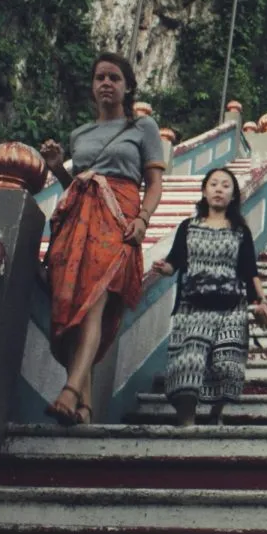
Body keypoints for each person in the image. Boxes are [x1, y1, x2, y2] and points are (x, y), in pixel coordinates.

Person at [39, 54, 165, 425]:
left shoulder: (143, 127)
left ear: (128, 87)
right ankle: (85, 407)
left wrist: (143, 219)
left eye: (114, 77)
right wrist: (58, 167)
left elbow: (155, 183)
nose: (106, 83)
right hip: (77, 223)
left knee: (94, 302)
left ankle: (71, 389)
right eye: (99, 78)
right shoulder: (80, 134)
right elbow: (74, 187)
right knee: (73, 306)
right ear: (93, 87)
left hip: (118, 218)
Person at [152, 167, 267, 426]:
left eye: (226, 186)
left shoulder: (240, 230)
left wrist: (260, 301)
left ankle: (217, 412)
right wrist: (165, 269)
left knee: (226, 365)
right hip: (193, 307)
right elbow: (176, 261)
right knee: (189, 362)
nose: (219, 189)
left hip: (231, 307)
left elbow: (249, 270)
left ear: (233, 196)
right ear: (204, 192)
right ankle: (187, 422)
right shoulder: (188, 227)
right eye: (214, 184)